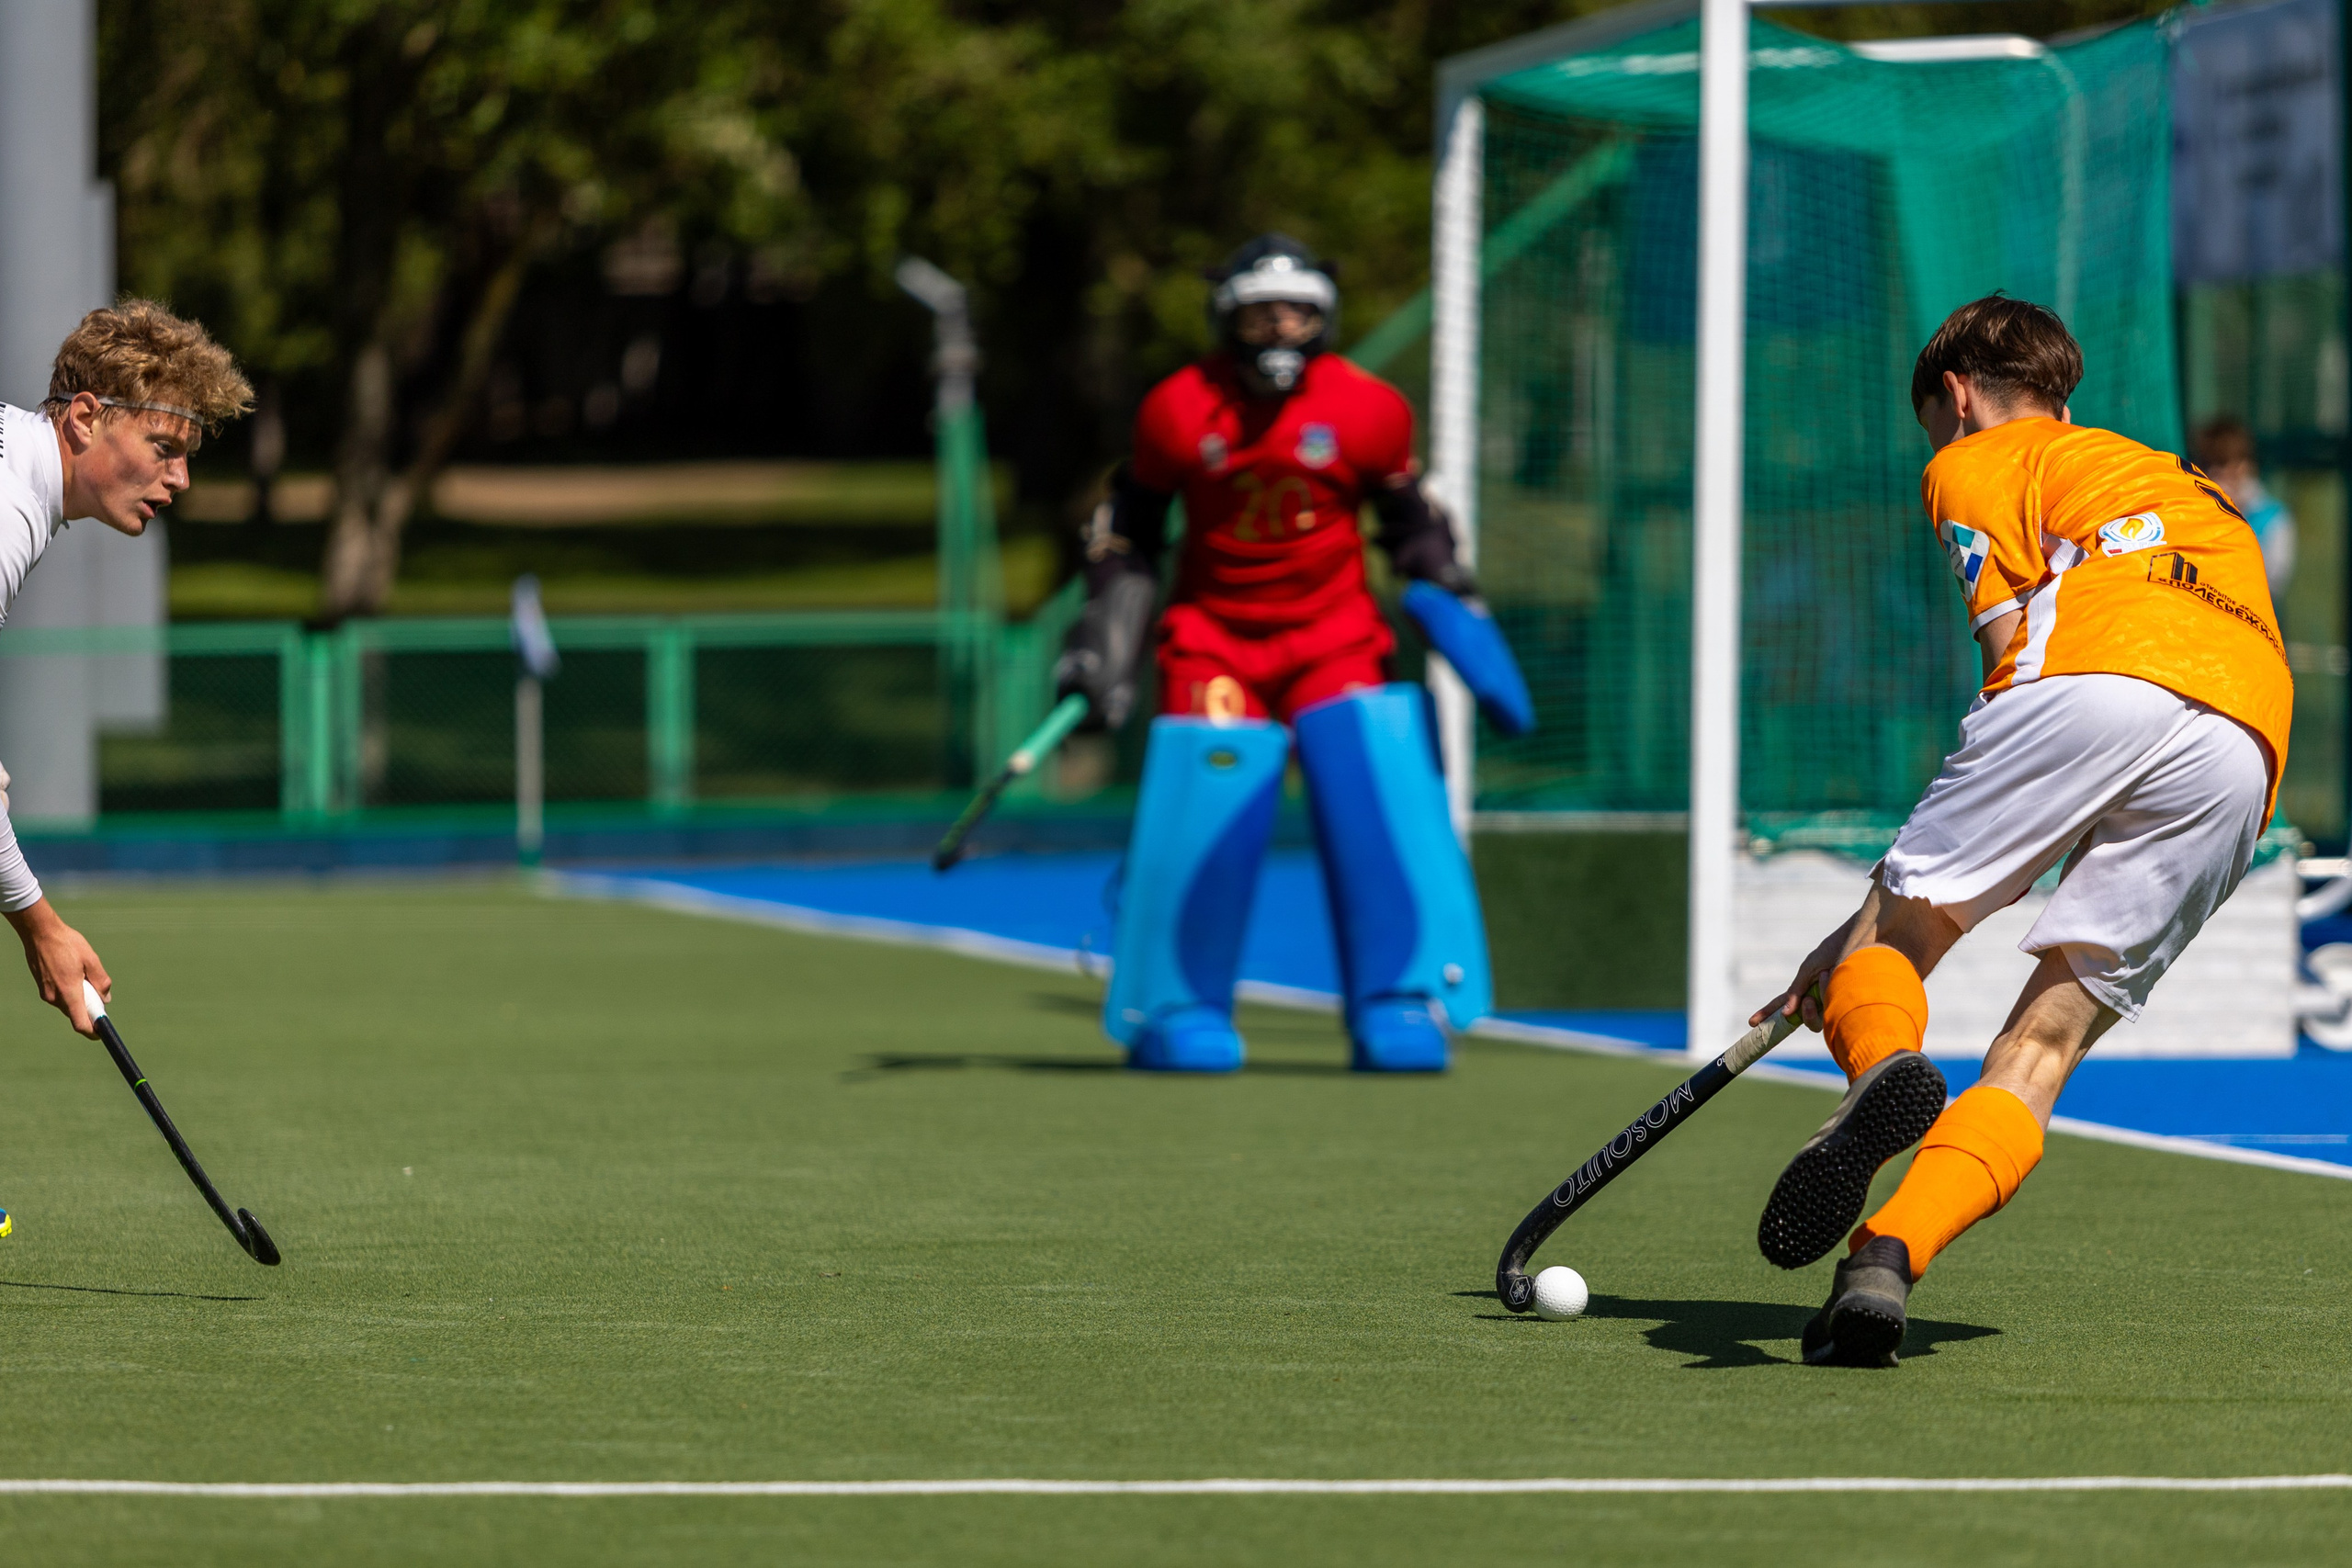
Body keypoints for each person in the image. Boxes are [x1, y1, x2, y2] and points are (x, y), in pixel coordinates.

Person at [1751, 296, 2290, 1366]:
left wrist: (1863, 938)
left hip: (2097, 670)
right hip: (2245, 741)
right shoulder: (2175, 480)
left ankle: (1878, 1072)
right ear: (2060, 397)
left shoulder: (1976, 459)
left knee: (1892, 946)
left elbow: (2013, 656)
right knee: (2042, 1050)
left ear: (1956, 398)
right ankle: (1884, 1260)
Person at [1054, 234, 1530, 1074]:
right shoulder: (1177, 409)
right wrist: (1103, 634)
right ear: (1226, 318)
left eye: (1298, 312)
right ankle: (1178, 1003)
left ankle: (1396, 996)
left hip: (1334, 639)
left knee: (1369, 795)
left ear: (1325, 318)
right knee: (1207, 801)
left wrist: (1454, 601)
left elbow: (1412, 527)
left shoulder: (1369, 410)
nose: (1279, 328)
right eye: (1260, 313)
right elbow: (1130, 531)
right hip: (1215, 642)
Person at [0, 300, 251, 1080]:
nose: (180, 479)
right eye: (162, 447)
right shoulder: (7, 511)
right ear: (84, 419)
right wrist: (41, 924)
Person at [2191, 416, 2296, 600]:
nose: (2217, 473)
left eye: (2224, 464)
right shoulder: (2193, 508)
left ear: (2246, 465)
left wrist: (2231, 514)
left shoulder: (2273, 516)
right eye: (2210, 465)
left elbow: (2274, 581)